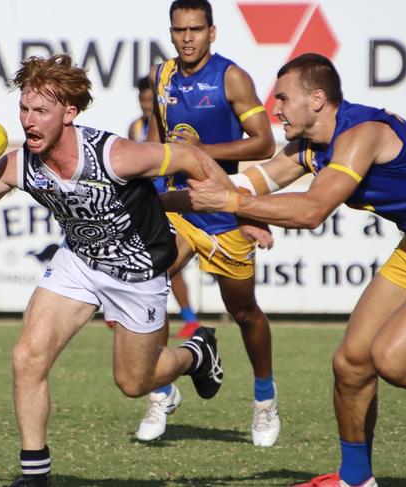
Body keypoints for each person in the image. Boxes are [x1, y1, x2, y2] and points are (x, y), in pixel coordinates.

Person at [0, 54, 226, 487]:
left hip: (138, 273)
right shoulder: (21, 165)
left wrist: (235, 206)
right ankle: (35, 475)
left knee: (134, 382)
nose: (28, 121)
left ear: (69, 113)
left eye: (41, 111)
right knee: (26, 357)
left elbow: (189, 158)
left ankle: (195, 354)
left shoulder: (116, 156)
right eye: (24, 109)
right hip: (80, 262)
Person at [189, 53, 406, 487]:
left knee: (393, 358)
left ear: (318, 100)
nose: (276, 108)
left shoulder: (362, 134)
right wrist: (165, 191)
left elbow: (311, 210)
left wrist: (231, 204)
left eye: (284, 98)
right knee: (351, 363)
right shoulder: (311, 145)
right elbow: (253, 182)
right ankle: (356, 479)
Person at [135, 0, 280, 447]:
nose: (188, 38)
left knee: (244, 312)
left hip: (221, 209)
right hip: (178, 206)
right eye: (180, 30)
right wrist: (146, 187)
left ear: (212, 32)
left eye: (196, 29)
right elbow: (158, 140)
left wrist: (199, 155)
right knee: (148, 281)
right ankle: (161, 390)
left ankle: (264, 399)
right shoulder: (161, 76)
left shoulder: (231, 77)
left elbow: (264, 143)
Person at [127, 75, 202, 338]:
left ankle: (190, 318)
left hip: (174, 201)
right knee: (153, 262)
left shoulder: (173, 129)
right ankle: (128, 310)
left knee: (166, 261)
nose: (147, 105)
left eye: (151, 100)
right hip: (148, 202)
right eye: (143, 100)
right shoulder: (135, 128)